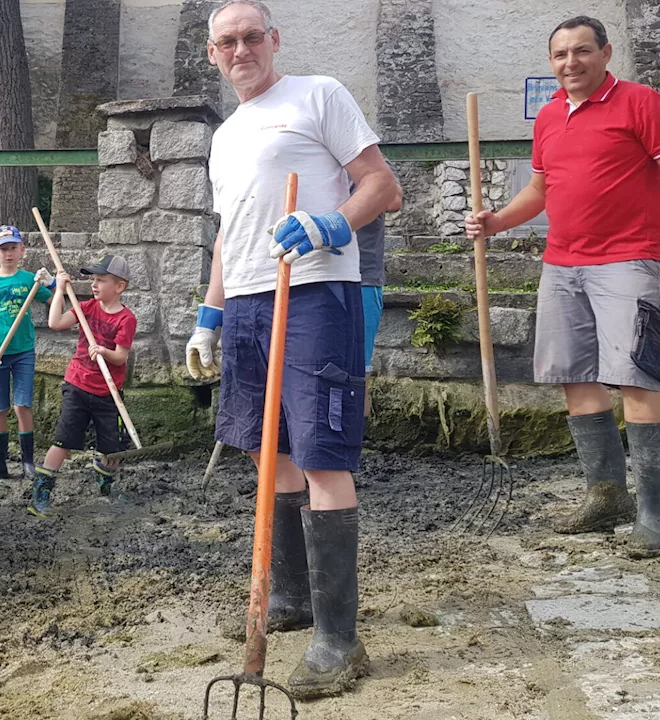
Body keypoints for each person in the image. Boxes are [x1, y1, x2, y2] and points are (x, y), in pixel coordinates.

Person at [185, 0, 399, 699]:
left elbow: (383, 186)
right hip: (247, 299)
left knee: (321, 454)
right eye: (227, 41)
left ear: (273, 41)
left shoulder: (319, 95)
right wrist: (208, 316)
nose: (240, 48)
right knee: (264, 449)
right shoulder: (225, 135)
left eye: (251, 36)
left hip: (312, 294)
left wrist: (331, 222)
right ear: (212, 54)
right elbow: (228, 232)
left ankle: (340, 638)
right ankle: (292, 596)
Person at [466, 16, 660, 559]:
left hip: (625, 260)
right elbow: (539, 188)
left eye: (581, 52)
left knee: (637, 378)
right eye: (559, 55)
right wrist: (496, 220)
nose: (569, 63)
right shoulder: (550, 116)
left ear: (605, 53)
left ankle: (653, 512)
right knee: (575, 377)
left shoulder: (640, 102)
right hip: (563, 262)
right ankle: (607, 495)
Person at [29, 255, 138, 517]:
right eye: (93, 279)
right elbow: (56, 323)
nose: (94, 284)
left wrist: (103, 351)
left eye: (101, 280)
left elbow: (121, 356)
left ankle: (105, 489)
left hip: (108, 392)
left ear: (119, 287)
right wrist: (58, 290)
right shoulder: (87, 308)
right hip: (77, 385)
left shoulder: (126, 319)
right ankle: (42, 493)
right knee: (63, 439)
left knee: (114, 446)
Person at [0, 225, 56, 482]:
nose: (8, 253)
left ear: (22, 250)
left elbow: (55, 302)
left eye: (13, 248)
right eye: (3, 249)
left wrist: (54, 284)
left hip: (23, 353)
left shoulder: (28, 280)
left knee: (22, 405)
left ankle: (28, 463)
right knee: (0, 408)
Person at [354, 174, 403, 416]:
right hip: (317, 279)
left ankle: (355, 446)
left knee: (358, 372)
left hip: (363, 278)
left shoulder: (370, 162)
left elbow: (394, 200)